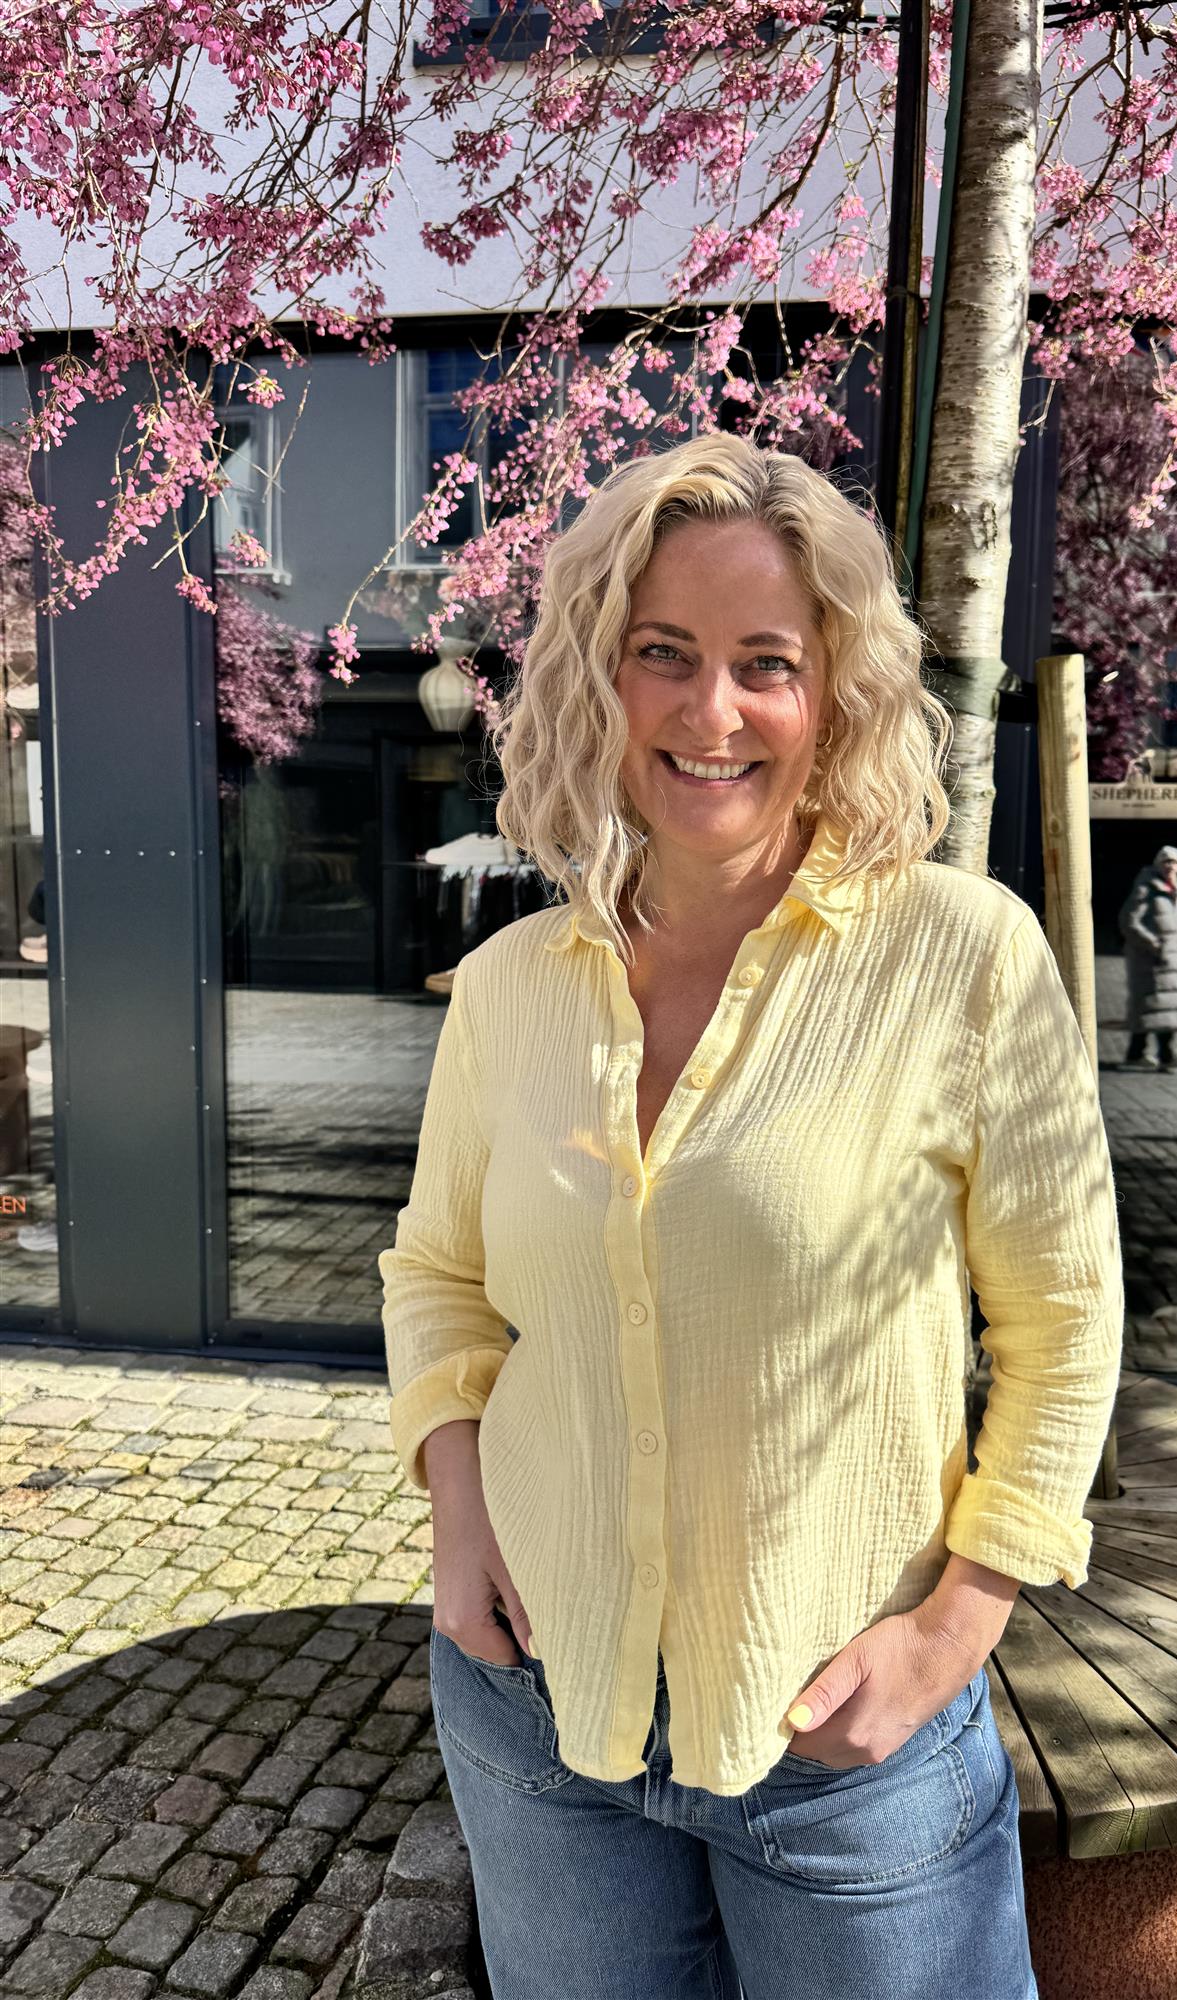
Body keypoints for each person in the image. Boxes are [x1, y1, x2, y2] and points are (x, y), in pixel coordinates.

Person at [379, 433, 1125, 2000]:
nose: (711, 712)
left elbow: (1064, 1324)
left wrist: (955, 1629)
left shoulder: (962, 958)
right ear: (600, 677)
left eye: (765, 664)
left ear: (834, 693)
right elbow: (437, 1273)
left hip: (844, 1739)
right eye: (664, 652)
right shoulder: (511, 987)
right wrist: (458, 1512)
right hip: (537, 1716)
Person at [1118, 842, 1177, 1071]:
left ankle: (1164, 1056)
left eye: (1174, 862)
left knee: (1166, 1010)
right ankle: (1137, 1055)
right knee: (1148, 1007)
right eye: (1165, 861)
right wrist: (1154, 945)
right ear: (1158, 864)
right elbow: (1128, 922)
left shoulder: (1175, 892)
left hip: (1170, 961)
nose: (1170, 866)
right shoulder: (1146, 888)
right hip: (1149, 962)